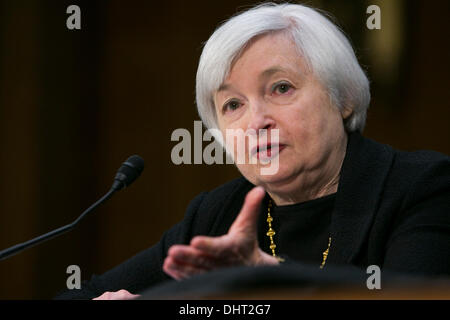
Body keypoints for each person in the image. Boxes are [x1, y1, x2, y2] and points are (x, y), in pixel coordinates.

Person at [56, 3, 450, 300]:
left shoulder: (422, 187)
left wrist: (269, 277)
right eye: (233, 105)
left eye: (281, 88)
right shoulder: (218, 214)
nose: (256, 121)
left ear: (343, 96)